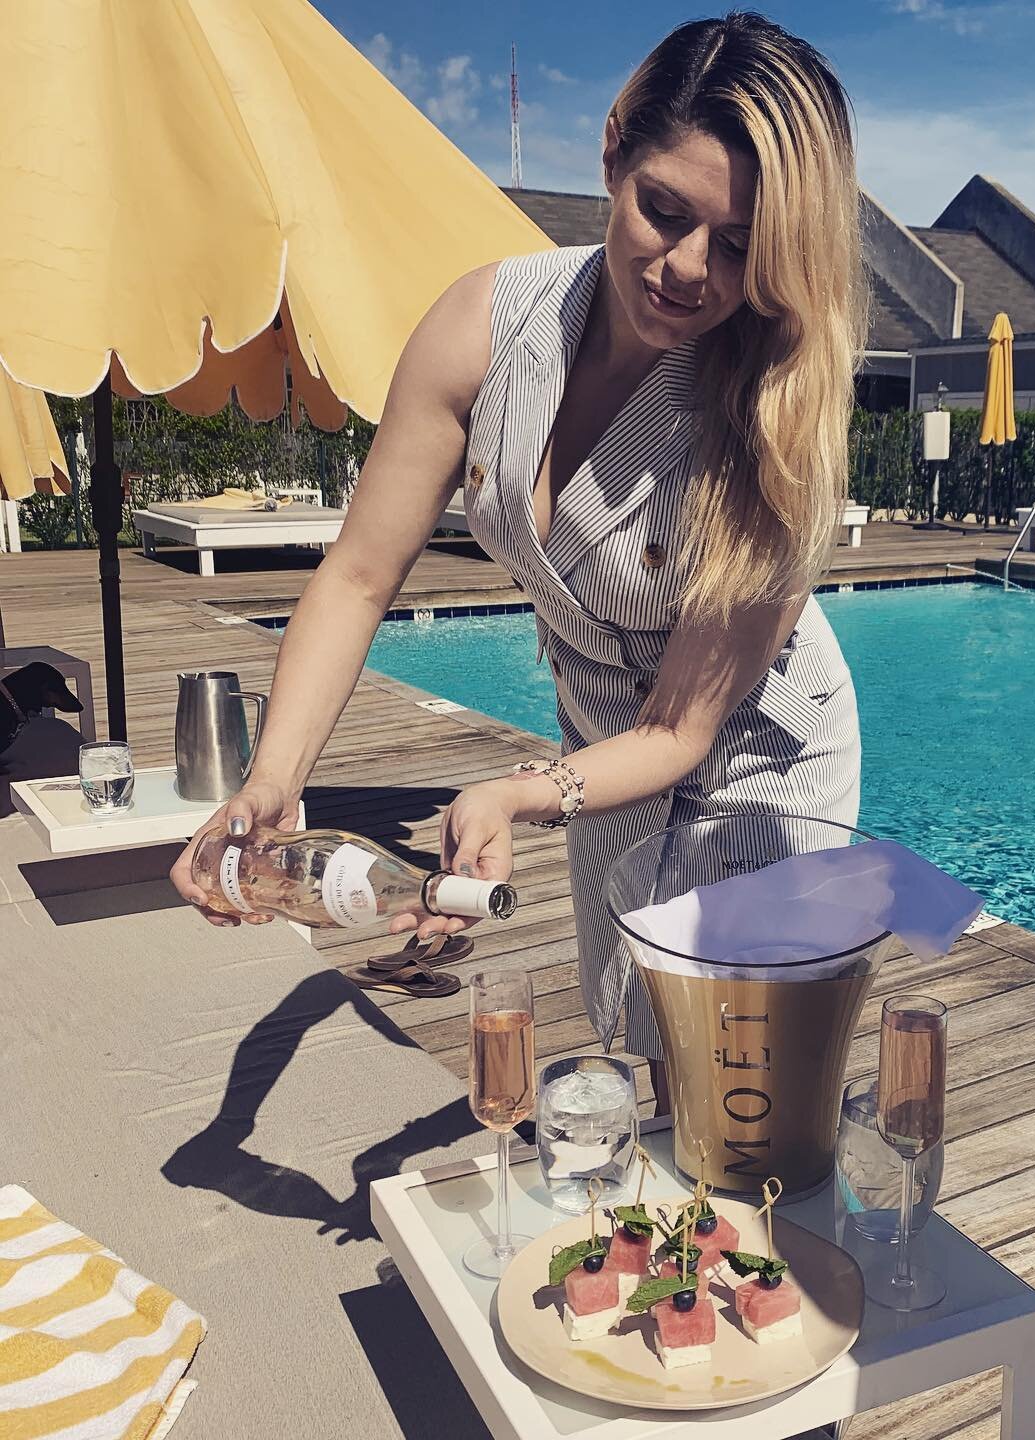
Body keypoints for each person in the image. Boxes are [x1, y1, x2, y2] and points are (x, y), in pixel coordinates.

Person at [171, 12, 867, 1111]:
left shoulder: (775, 417)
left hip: (758, 750)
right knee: (635, 1018)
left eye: (739, 245)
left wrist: (521, 792)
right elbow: (357, 576)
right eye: (665, 212)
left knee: (739, 1074)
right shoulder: (484, 330)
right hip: (601, 728)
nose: (689, 269)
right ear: (613, 152)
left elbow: (687, 732)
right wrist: (274, 779)